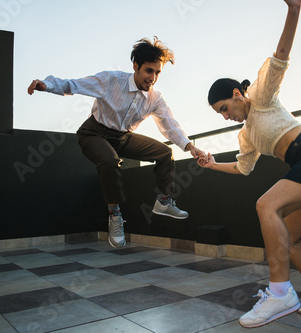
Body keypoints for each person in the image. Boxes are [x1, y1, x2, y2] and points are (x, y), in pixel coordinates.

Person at [198, 0, 301, 328]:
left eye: (224, 107)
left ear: (237, 94)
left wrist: (293, 9)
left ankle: (280, 292)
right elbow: (243, 169)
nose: (226, 116)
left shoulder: (260, 97)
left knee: (266, 205)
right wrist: (211, 165)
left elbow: (281, 56)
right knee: (288, 236)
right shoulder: (246, 136)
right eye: (219, 113)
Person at [28, 37, 206, 249]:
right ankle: (114, 215)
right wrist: (46, 85)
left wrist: (191, 147)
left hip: (123, 137)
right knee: (110, 161)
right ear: (135, 67)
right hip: (93, 133)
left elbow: (170, 126)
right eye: (149, 71)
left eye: (157, 73)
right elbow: (74, 85)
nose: (153, 78)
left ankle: (164, 201)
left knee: (164, 153)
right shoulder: (111, 80)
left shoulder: (155, 99)